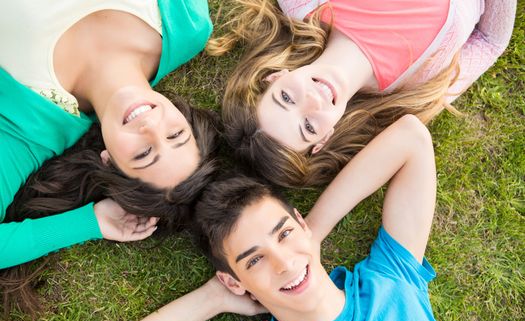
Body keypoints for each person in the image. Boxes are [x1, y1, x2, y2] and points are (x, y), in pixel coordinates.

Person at [105, 114, 443, 321]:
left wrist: (314, 232)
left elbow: (411, 137)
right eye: (253, 261)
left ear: (299, 222)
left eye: (283, 234)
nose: (283, 263)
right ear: (233, 280)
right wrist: (211, 299)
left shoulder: (392, 283)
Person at [0, 0, 218, 312]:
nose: (151, 128)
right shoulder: (187, 27)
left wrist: (90, 222)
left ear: (108, 160)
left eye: (144, 154)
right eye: (175, 135)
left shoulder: (32, 129)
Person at [208, 0, 516, 187]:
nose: (312, 101)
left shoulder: (304, 6)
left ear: (274, 77)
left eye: (286, 98)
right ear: (324, 139)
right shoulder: (418, 90)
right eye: (308, 127)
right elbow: (491, 41)